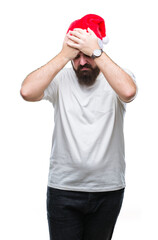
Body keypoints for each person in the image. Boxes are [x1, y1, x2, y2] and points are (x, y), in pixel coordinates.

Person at [20, 14, 137, 240]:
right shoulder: (60, 78)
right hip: (64, 189)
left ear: (99, 49)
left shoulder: (116, 77)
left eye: (88, 55)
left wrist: (97, 52)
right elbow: (27, 92)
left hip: (108, 189)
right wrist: (64, 54)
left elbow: (128, 92)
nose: (82, 62)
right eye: (77, 56)